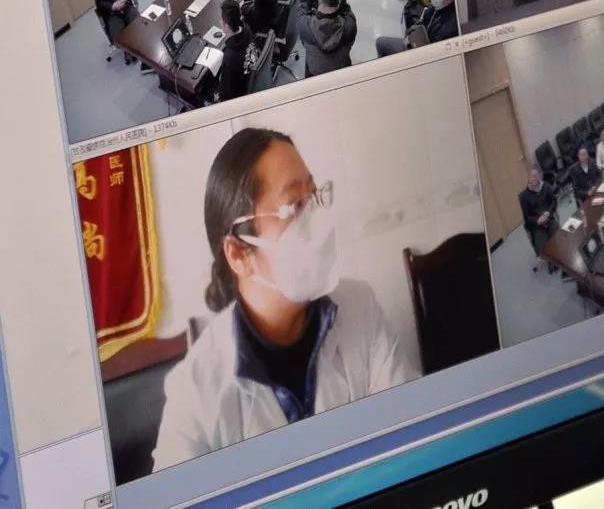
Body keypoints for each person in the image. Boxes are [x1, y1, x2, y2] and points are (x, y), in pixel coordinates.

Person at [152, 128, 413, 470]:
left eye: (314, 196)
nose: (317, 221)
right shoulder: (195, 393)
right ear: (239, 253)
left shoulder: (359, 306)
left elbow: (409, 431)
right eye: (296, 205)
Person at [293, 0, 357, 78]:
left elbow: (302, 8)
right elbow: (346, 8)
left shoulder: (305, 25)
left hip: (314, 76)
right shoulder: (350, 25)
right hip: (342, 76)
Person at [376, 0, 458, 57]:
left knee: (381, 43)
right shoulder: (435, 8)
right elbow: (422, 23)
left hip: (423, 55)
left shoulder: (450, 27)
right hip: (417, 43)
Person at [214, 0, 258, 103]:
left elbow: (226, 94)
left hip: (239, 94)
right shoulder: (247, 28)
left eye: (221, 21)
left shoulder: (229, 56)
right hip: (249, 75)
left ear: (226, 26)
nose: (220, 22)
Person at [518, 167, 558, 271]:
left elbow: (554, 201)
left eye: (536, 176)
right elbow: (527, 217)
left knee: (558, 235)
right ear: (528, 178)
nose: (534, 179)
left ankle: (559, 256)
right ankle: (551, 261)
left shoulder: (546, 186)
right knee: (542, 243)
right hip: (537, 226)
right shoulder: (524, 196)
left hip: (549, 219)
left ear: (539, 177)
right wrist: (537, 220)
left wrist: (549, 212)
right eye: (532, 176)